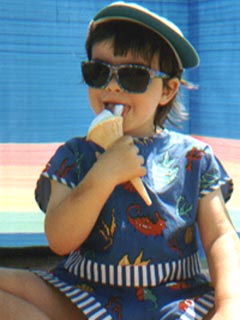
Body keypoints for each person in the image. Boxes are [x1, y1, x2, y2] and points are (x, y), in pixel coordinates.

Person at [0, 2, 239, 319]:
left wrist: (229, 303)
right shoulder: (74, 155)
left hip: (179, 299)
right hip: (83, 295)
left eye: (133, 76)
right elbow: (59, 240)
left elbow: (221, 236)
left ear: (167, 90)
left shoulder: (194, 157)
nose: (111, 85)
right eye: (98, 72)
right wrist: (103, 175)